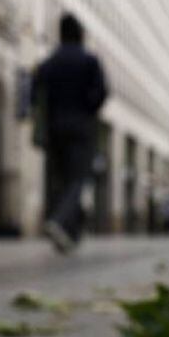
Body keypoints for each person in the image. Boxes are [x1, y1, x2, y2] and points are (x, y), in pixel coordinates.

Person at [31, 13, 109, 254]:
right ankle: (60, 220)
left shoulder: (49, 62)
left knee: (61, 180)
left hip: (55, 127)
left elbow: (35, 94)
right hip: (81, 127)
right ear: (80, 35)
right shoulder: (89, 61)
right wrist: (87, 107)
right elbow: (101, 93)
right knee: (78, 179)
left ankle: (69, 236)